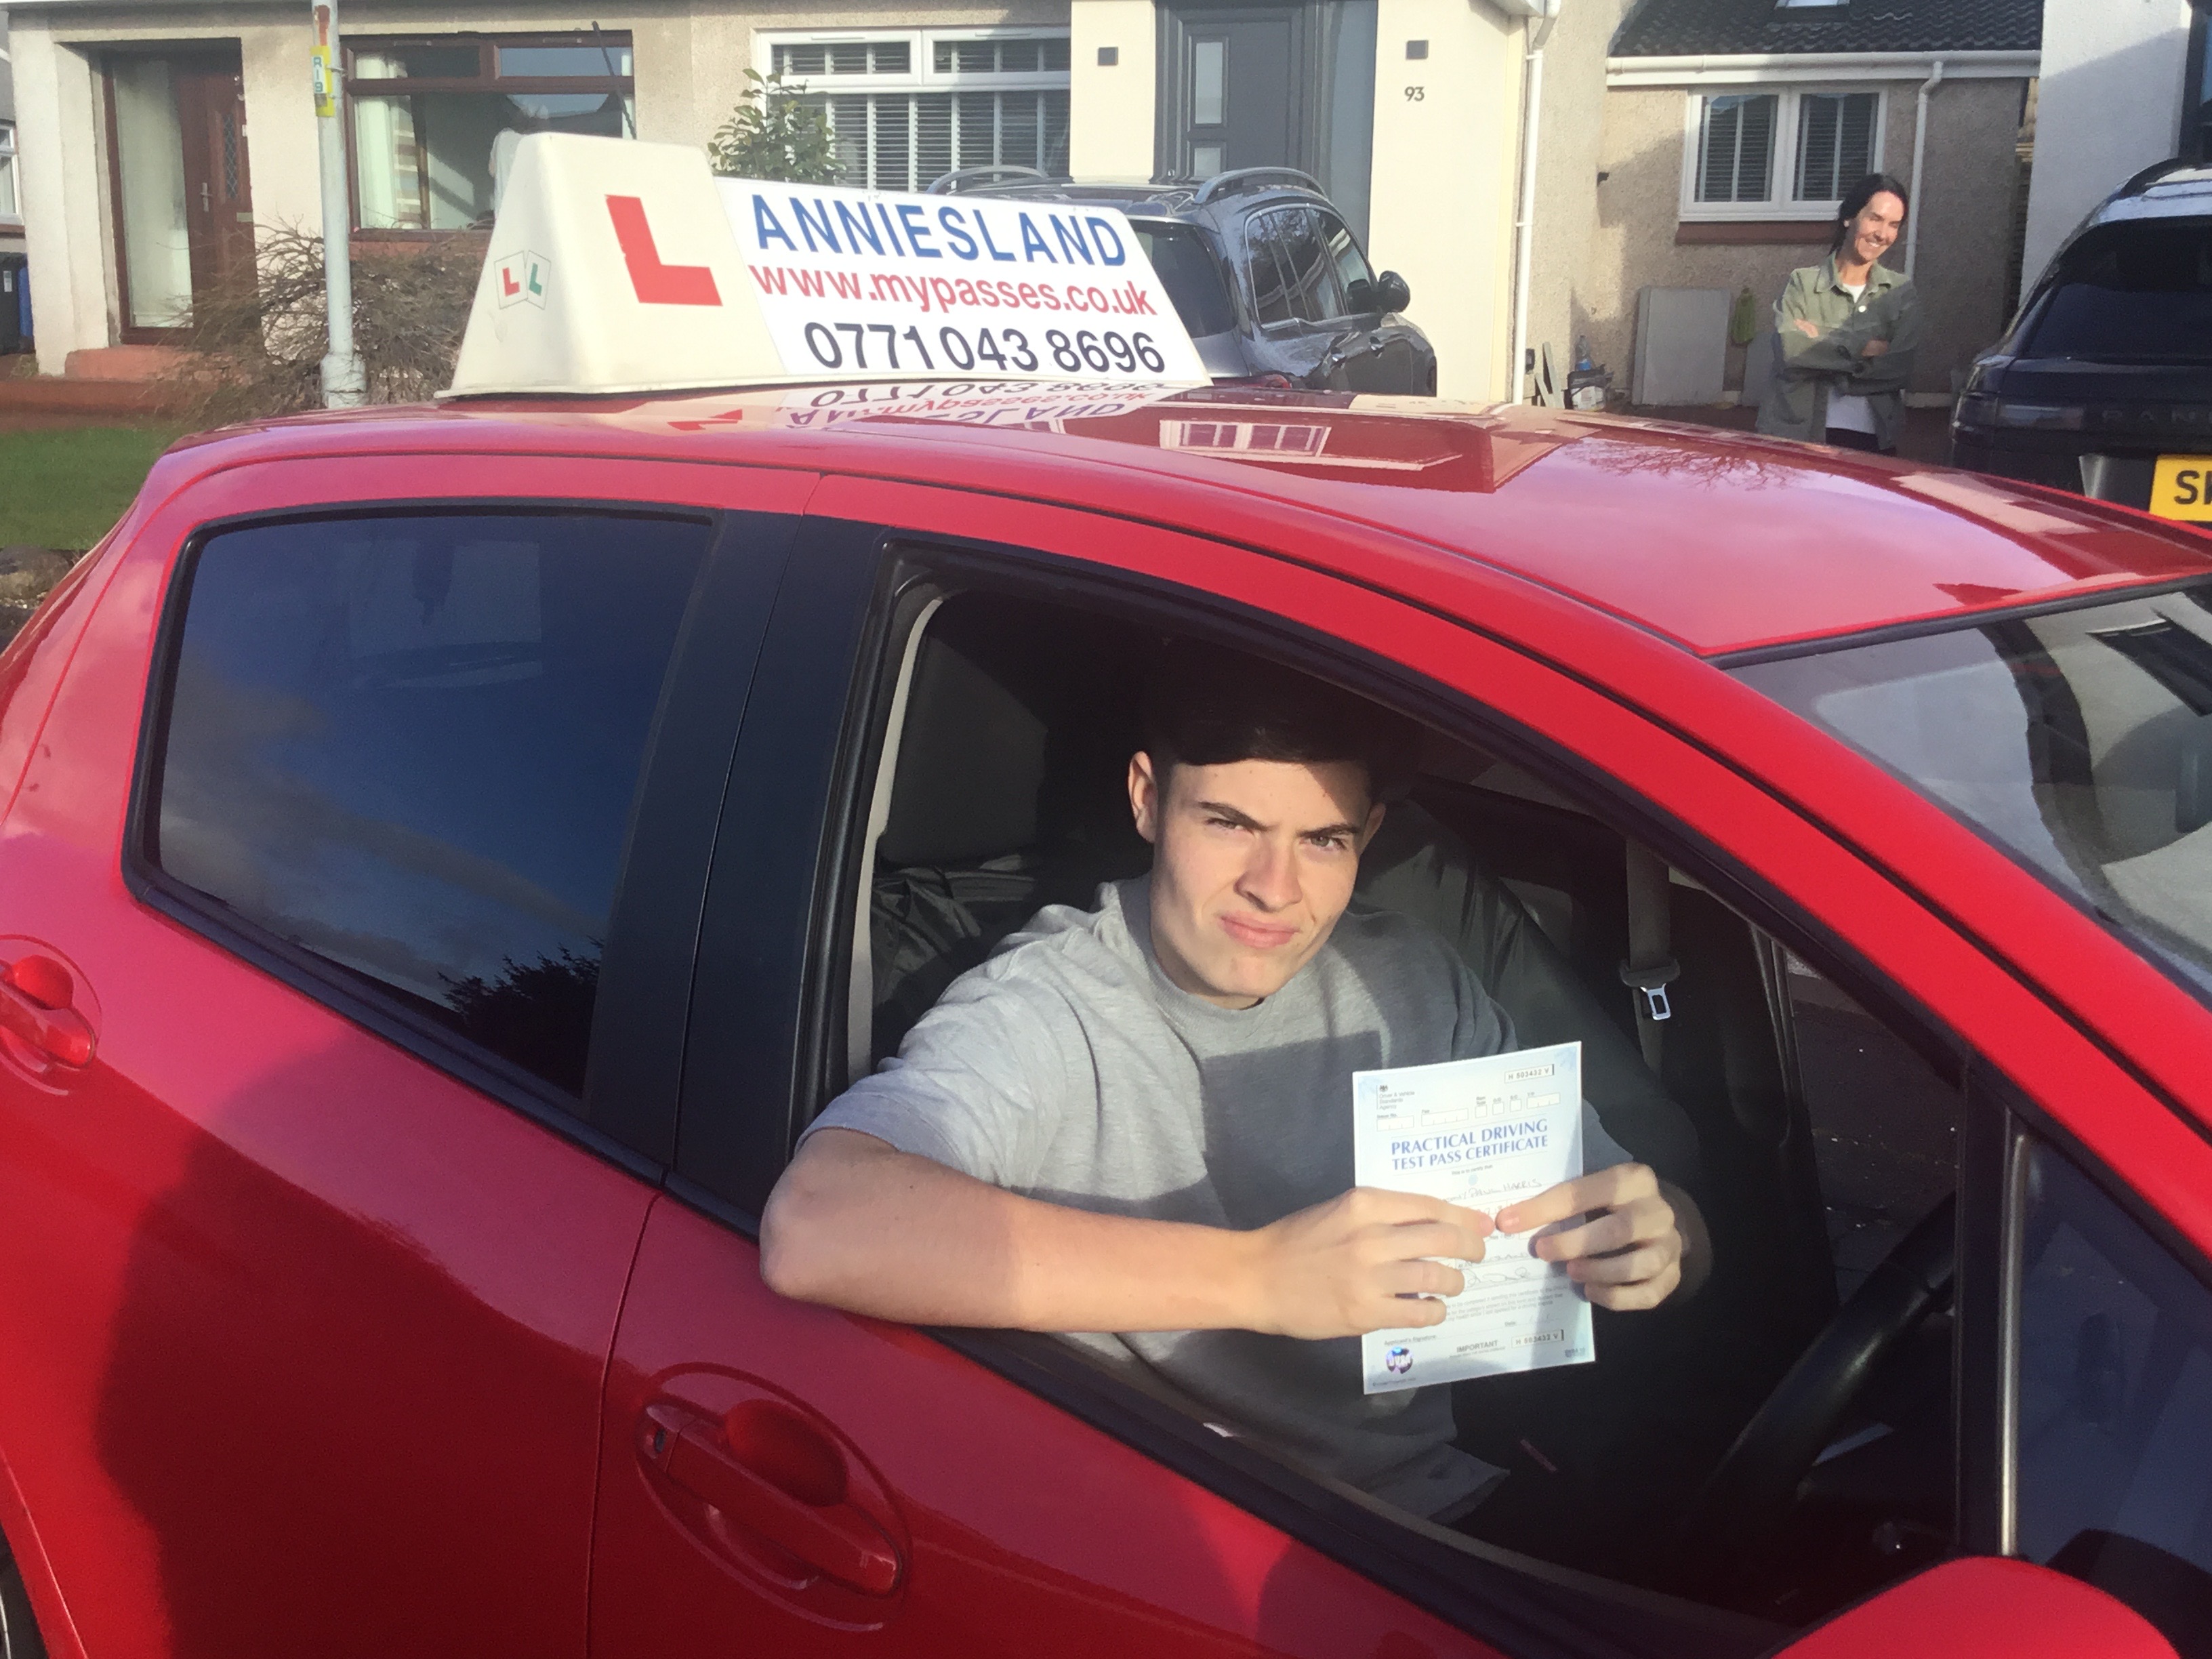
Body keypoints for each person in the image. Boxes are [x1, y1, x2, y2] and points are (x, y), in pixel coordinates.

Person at [761, 648, 1708, 1524]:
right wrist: (1261, 1278)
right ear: (1147, 799)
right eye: (1229, 824)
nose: (1274, 887)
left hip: (1438, 1505)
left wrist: (1663, 1244)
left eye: (1323, 842)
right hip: (1203, 1528)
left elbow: (1648, 1222)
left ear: (1369, 835)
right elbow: (816, 1225)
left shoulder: (1413, 978)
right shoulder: (1047, 1008)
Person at [1756, 173, 1923, 455]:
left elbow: (1900, 369)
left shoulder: (1900, 292)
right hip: (1799, 436)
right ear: (1848, 217)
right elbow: (1791, 352)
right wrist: (1863, 348)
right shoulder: (1802, 284)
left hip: (1873, 440)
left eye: (1894, 225)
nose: (1883, 234)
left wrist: (1822, 345)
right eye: (1875, 219)